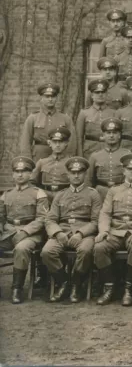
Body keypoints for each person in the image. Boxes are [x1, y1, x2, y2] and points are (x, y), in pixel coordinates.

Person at [94, 153, 132, 306]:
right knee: (99, 247)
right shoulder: (114, 190)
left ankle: (130, 289)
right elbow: (105, 213)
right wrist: (104, 231)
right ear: (124, 170)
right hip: (115, 231)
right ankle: (109, 287)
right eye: (129, 168)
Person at [42, 157, 100, 303]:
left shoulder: (93, 194)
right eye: (73, 172)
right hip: (62, 232)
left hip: (85, 234)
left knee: (86, 251)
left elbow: (96, 221)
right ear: (67, 174)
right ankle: (64, 282)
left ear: (85, 174)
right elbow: (50, 219)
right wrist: (57, 232)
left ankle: (76, 284)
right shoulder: (60, 195)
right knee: (47, 252)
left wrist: (81, 233)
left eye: (79, 172)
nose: (76, 175)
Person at [0, 157, 48, 304]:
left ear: (30, 174)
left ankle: (17, 289)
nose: (20, 175)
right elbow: (0, 216)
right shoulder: (6, 194)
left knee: (21, 248)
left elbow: (42, 218)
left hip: (31, 235)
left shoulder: (38, 193)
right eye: (17, 171)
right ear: (13, 174)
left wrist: (26, 231)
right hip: (9, 232)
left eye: (24, 171)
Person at [19, 83, 77, 162]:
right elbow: (25, 142)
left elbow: (72, 142)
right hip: (39, 156)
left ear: (56, 98)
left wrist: (68, 158)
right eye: (47, 96)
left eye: (53, 96)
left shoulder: (65, 118)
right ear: (41, 98)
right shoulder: (33, 118)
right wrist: (28, 161)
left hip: (60, 157)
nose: (50, 99)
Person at [86, 118, 131, 200]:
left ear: (119, 135)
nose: (111, 135)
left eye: (114, 133)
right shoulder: (95, 156)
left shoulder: (126, 154)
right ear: (103, 135)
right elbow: (89, 180)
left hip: (121, 192)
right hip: (100, 193)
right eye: (108, 133)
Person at [77, 79, 116, 158]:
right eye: (97, 92)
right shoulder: (84, 113)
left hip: (109, 150)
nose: (100, 95)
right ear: (92, 95)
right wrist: (80, 157)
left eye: (103, 92)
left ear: (106, 94)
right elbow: (79, 138)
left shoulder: (113, 113)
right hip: (89, 151)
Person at [31, 128, 72, 204]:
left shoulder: (70, 162)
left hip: (65, 198)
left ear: (66, 143)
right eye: (54, 142)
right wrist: (39, 194)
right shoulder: (42, 162)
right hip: (45, 198)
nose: (57, 145)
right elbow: (31, 182)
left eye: (61, 142)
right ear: (49, 143)